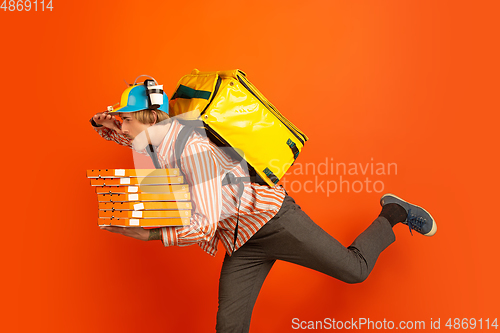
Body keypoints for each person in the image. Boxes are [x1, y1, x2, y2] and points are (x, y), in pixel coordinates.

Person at [91, 81, 437, 333]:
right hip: (242, 242)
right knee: (230, 328)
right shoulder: (160, 140)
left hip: (273, 221)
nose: (122, 126)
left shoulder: (191, 148)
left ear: (147, 117)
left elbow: (203, 223)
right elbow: (133, 137)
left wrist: (148, 234)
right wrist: (106, 124)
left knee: (355, 271)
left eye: (125, 118)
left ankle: (393, 212)